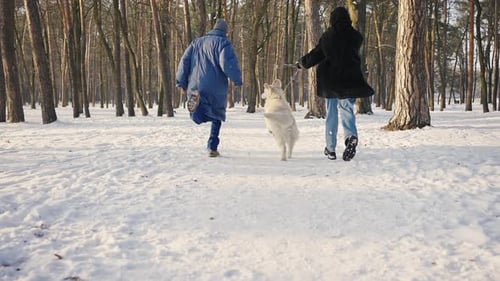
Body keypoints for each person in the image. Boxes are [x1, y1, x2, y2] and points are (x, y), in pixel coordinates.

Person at [297, 7, 374, 161]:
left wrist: (302, 63)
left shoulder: (328, 37)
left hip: (330, 82)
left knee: (331, 113)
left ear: (332, 20)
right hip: (350, 81)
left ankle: (330, 148)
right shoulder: (356, 36)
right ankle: (350, 137)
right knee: (347, 110)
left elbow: (317, 54)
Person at [176, 19, 243, 157]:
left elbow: (184, 62)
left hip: (195, 85)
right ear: (226, 32)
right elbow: (226, 63)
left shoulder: (196, 43)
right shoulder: (224, 43)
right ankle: (212, 147)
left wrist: (181, 82)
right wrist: (237, 80)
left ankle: (197, 111)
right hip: (216, 86)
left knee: (200, 112)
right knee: (217, 117)